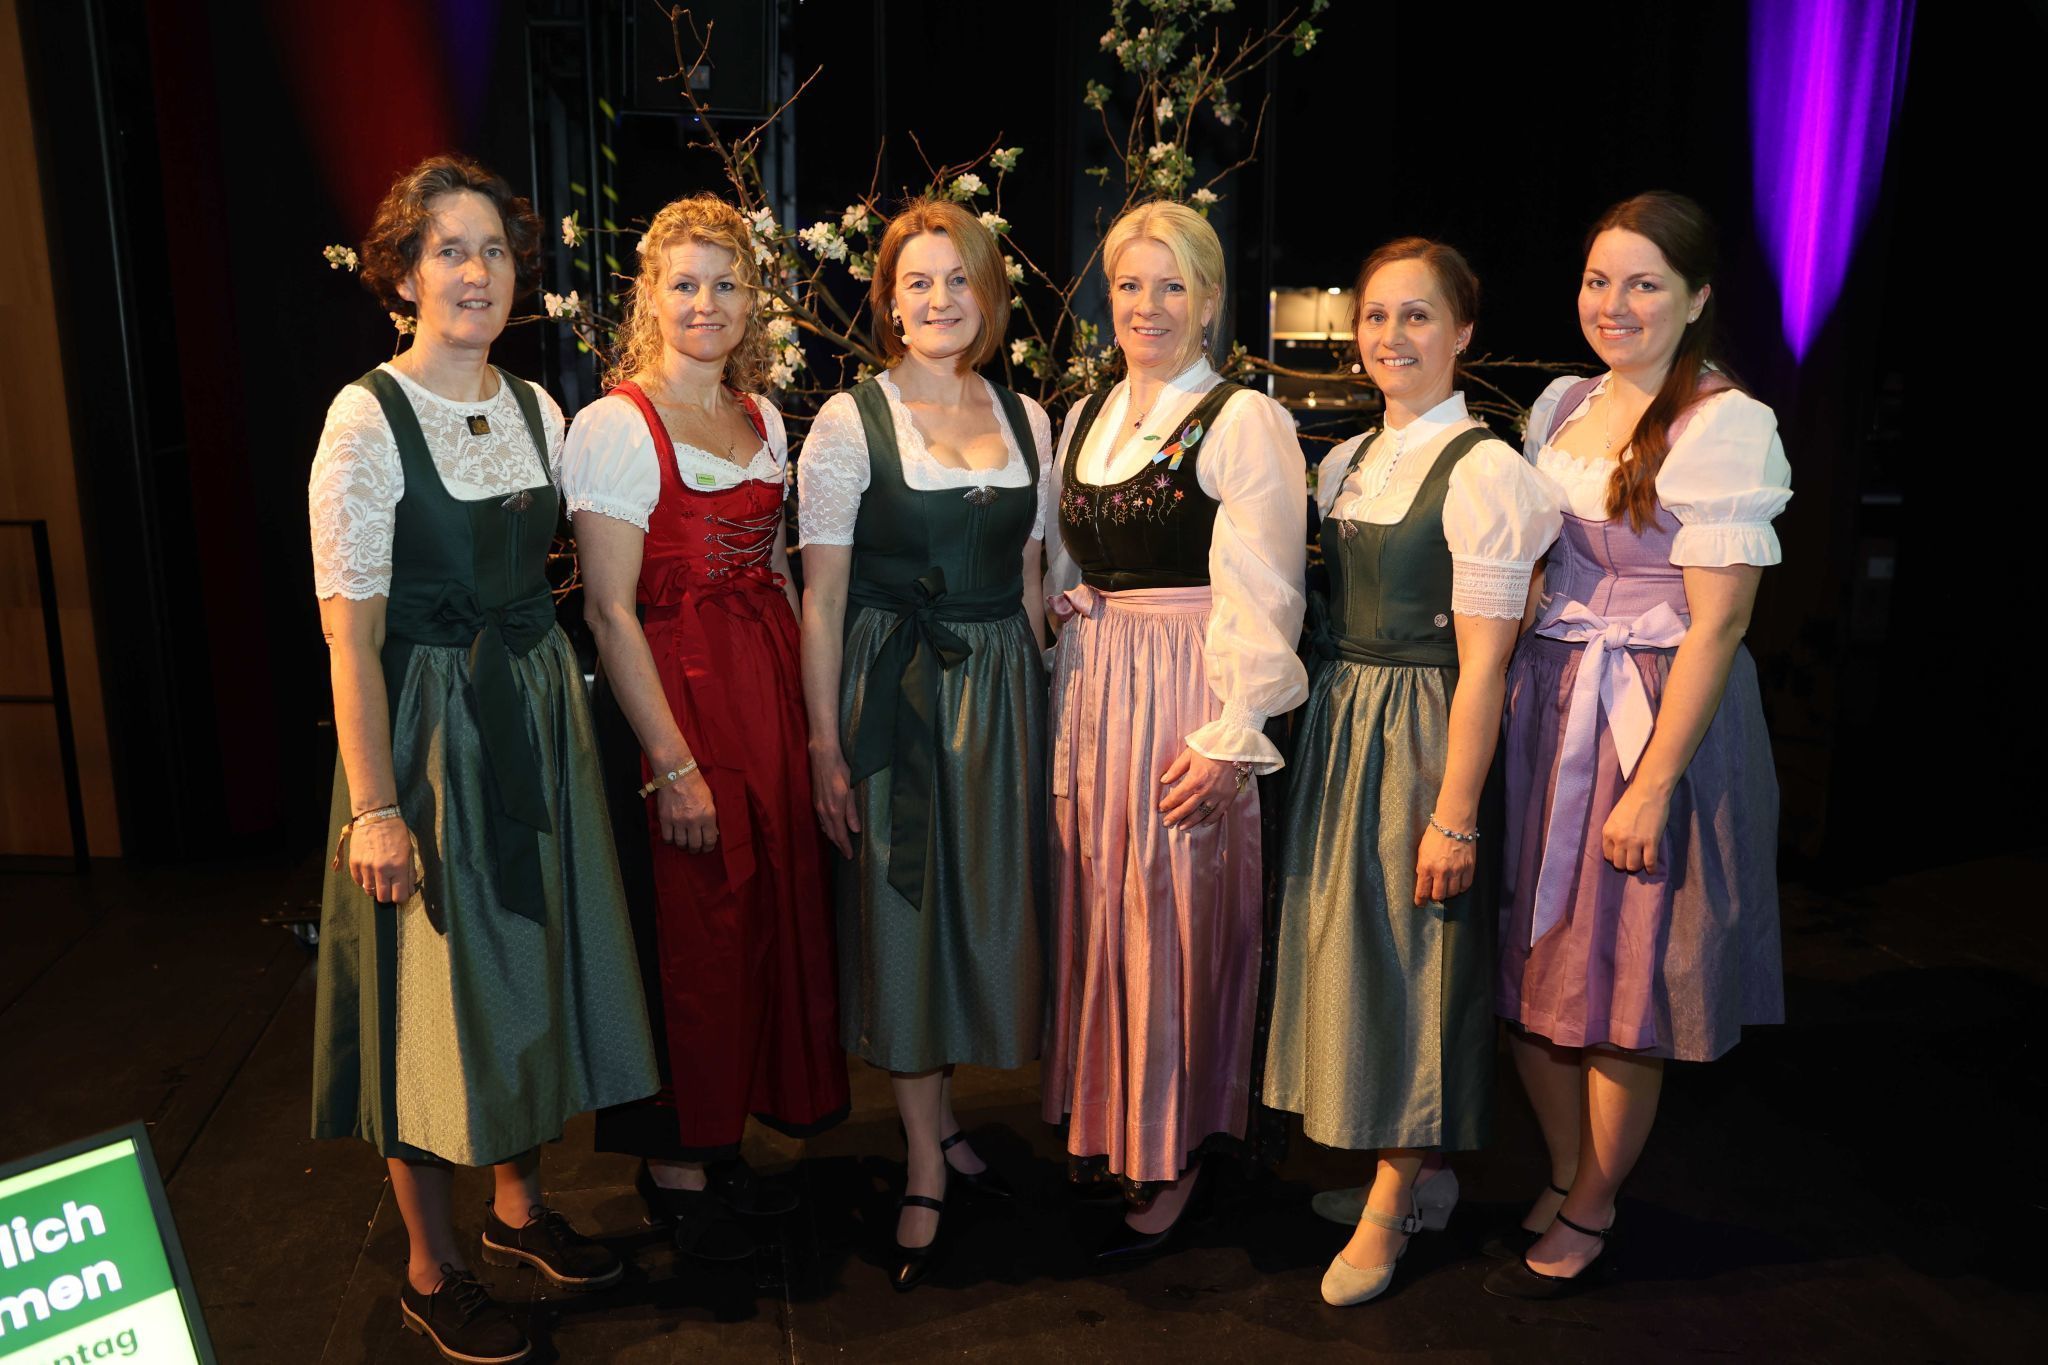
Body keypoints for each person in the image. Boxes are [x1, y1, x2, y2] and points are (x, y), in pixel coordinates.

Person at [308, 155, 658, 1365]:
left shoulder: (535, 409)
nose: (475, 272)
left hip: (533, 714)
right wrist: (377, 809)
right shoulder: (366, 417)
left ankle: (518, 1210)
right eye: (449, 251)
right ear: (402, 275)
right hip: (429, 735)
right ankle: (429, 1265)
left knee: (531, 959)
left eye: (495, 251)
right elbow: (349, 636)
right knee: (429, 995)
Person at [1486, 191, 1791, 1298]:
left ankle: (1594, 1199)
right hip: (1549, 700)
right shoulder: (1561, 400)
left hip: (1655, 714)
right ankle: (1569, 1168)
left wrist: (1651, 782)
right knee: (1534, 961)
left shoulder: (1723, 424)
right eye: (1596, 281)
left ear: (1697, 298)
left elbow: (1718, 622)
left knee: (1621, 979)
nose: (1611, 305)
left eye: (1643, 284)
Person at [1264, 239, 1561, 1305]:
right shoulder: (1345, 461)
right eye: (1376, 317)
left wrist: (1454, 816)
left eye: (1418, 316)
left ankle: (1391, 1203)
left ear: (1464, 331)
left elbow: (1485, 666)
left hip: (1426, 732)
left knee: (1415, 961)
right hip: (1343, 723)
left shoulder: (1486, 474)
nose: (1392, 337)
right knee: (1356, 953)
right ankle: (1418, 1175)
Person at [561, 194, 848, 1263]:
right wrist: (671, 764)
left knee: (762, 914)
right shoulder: (614, 425)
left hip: (762, 685)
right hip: (676, 695)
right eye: (683, 282)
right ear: (648, 294)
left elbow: (773, 568)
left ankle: (722, 1141)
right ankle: (674, 1159)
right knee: (693, 925)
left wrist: (805, 725)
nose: (705, 303)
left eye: (725, 283)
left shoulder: (764, 418)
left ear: (752, 300)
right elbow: (605, 609)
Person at [1040, 200, 1308, 1260]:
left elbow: (1269, 590)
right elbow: (1066, 566)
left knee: (1171, 921)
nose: (1145, 307)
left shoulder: (1241, 418)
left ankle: (1175, 1147)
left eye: (1169, 286)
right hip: (1097, 687)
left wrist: (1227, 732)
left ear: (1207, 300)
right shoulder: (1091, 412)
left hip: (1184, 692)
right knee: (1101, 911)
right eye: (1127, 286)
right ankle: (1115, 1129)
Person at [797, 197, 1051, 1292]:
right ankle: (918, 1154)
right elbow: (819, 599)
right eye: (915, 282)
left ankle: (946, 1125)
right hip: (891, 687)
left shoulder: (1031, 416)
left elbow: (1038, 582)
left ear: (988, 294)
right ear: (887, 299)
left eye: (957, 280)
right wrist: (823, 745)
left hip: (1000, 693)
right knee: (904, 914)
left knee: (977, 910)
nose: (937, 301)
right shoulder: (848, 423)